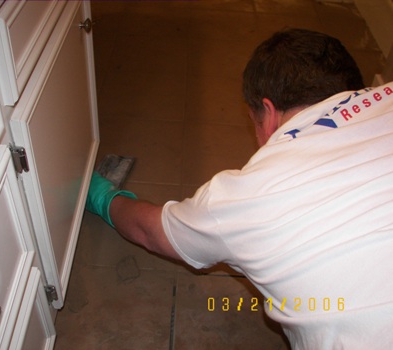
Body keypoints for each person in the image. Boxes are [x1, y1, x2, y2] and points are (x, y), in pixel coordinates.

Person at [86, 28, 393, 349]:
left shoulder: (248, 195)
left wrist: (102, 196)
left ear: (269, 113)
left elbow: (150, 231)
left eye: (255, 124)